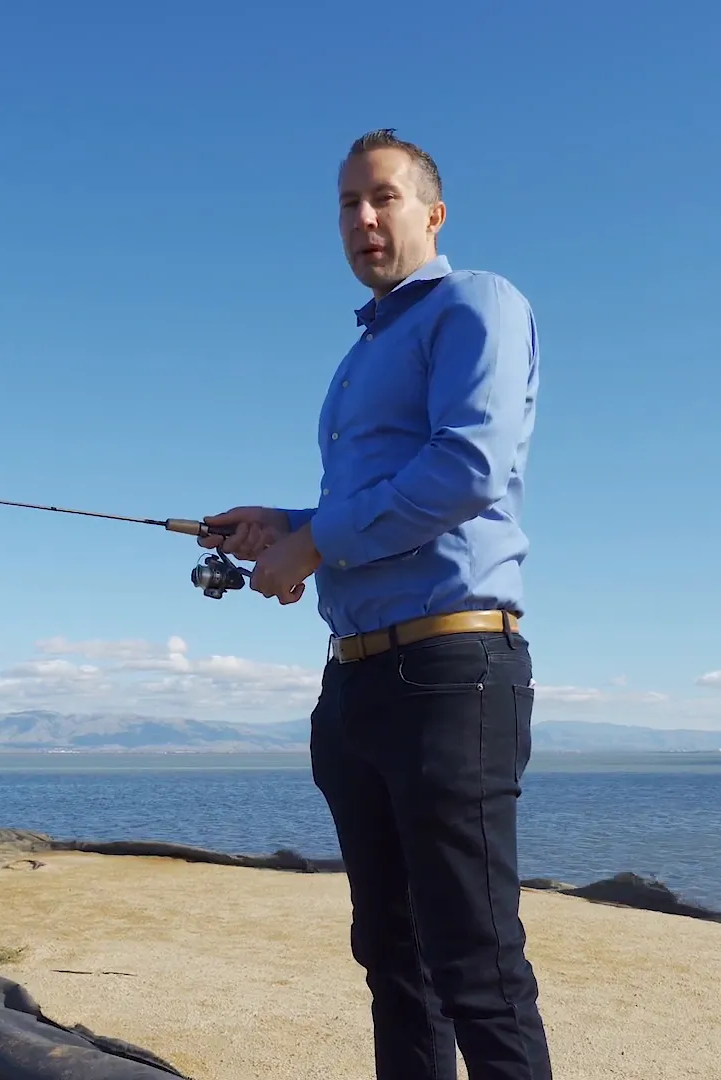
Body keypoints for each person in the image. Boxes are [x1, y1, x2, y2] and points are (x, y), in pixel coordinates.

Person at [200, 128, 551, 1080]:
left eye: (382, 198)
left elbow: (468, 466)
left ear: (431, 214)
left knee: (476, 966)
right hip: (356, 686)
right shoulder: (359, 355)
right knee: (393, 962)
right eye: (347, 204)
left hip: (451, 672)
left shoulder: (479, 303)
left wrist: (315, 541)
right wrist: (284, 523)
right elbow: (376, 503)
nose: (362, 218)